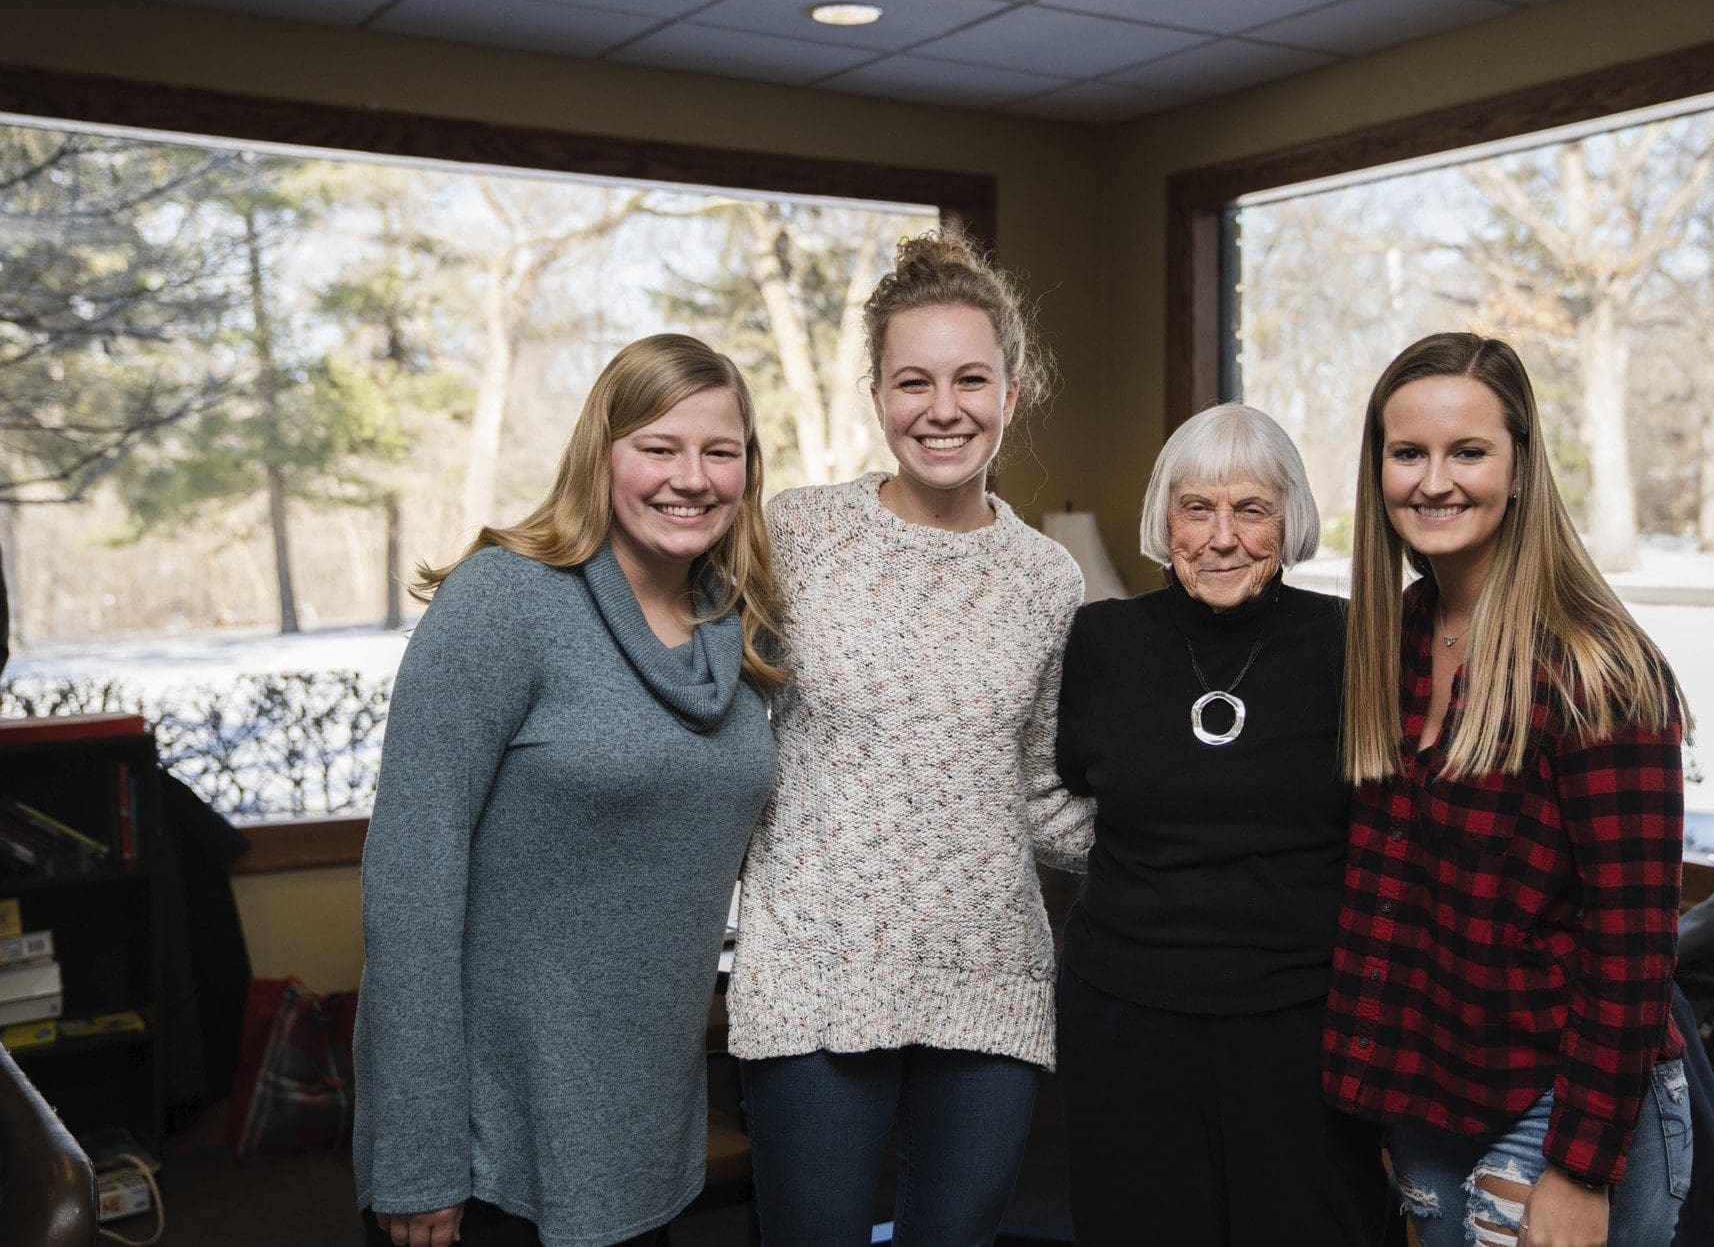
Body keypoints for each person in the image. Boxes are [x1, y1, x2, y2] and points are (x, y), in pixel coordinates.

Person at [354, 334, 785, 1247]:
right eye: (657, 448)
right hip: (488, 1139)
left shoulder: (742, 629)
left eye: (720, 451)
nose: (692, 477)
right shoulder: (504, 602)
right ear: (602, 455)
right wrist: (417, 1150)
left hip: (645, 1125)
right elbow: (410, 885)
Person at [725, 233, 1093, 1247]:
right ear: (876, 394)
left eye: (970, 379)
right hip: (813, 970)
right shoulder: (792, 535)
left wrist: (1190, 834)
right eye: (912, 381)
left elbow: (1039, 790)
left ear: (1011, 392)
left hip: (986, 971)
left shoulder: (1046, 579)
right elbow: (698, 698)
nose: (943, 409)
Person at [1324, 331, 1694, 1247]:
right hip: (1434, 1094)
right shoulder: (1395, 637)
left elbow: (1634, 944)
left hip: (1562, 1107)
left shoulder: (1596, 667)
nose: (1434, 480)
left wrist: (1579, 1167)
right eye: (1408, 453)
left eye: (1469, 452)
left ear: (1522, 467)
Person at [1054, 403, 1391, 1245]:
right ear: (1165, 522)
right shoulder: (1101, 641)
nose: (1222, 536)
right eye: (1197, 508)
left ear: (1291, 520)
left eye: (1252, 509)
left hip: (1303, 1024)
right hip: (1126, 1020)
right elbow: (1056, 789)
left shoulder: (1354, 642)